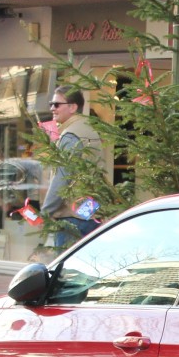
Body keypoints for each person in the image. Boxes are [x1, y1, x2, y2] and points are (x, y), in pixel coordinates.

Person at [40, 85, 112, 245]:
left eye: (57, 104)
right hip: (89, 211)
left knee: (67, 268)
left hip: (71, 216)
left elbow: (62, 178)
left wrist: (45, 212)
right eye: (51, 104)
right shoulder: (89, 129)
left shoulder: (70, 135)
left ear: (72, 107)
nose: (52, 108)